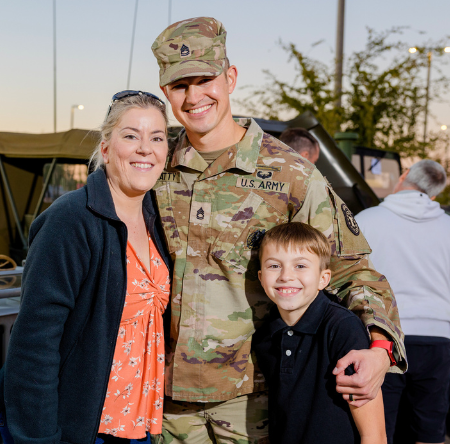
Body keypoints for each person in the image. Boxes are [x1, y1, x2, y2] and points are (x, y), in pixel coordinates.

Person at [149, 17, 406, 442]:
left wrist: (379, 349)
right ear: (166, 93)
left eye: (205, 79)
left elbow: (352, 271)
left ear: (229, 78)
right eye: (180, 86)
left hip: (254, 399)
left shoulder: (291, 175)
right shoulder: (156, 167)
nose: (194, 97)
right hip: (165, 398)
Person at [0, 91, 172, 444]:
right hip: (77, 427)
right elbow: (35, 342)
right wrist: (40, 438)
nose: (145, 149)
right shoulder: (72, 219)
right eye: (131, 135)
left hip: (137, 426)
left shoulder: (159, 220)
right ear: (105, 148)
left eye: (157, 138)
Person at [355, 159, 450, 444]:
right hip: (436, 339)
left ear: (405, 175)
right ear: (434, 193)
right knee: (429, 429)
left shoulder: (367, 219)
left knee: (380, 428)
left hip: (382, 338)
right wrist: (442, 319)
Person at [253, 222, 386, 444]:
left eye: (301, 266)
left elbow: (374, 435)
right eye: (274, 266)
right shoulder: (266, 335)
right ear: (260, 277)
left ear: (323, 279)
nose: (286, 276)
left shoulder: (343, 328)